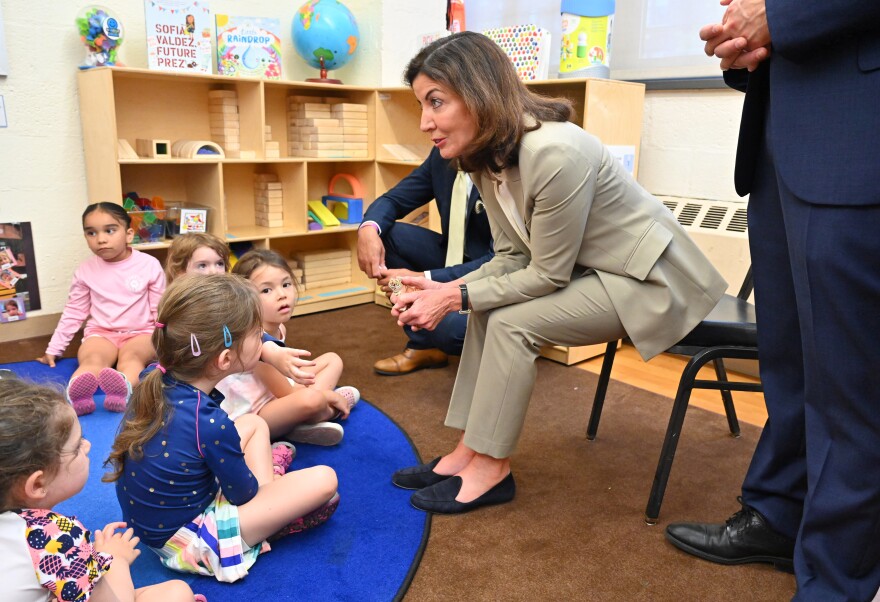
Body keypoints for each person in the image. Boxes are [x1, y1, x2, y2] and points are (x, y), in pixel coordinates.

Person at [387, 32, 727, 514]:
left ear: (479, 92)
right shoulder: (483, 158)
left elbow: (545, 274)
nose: (425, 123)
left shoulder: (555, 152)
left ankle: (492, 468)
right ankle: (469, 451)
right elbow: (508, 258)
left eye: (435, 103)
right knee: (490, 308)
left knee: (511, 320)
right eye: (423, 105)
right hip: (593, 273)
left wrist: (452, 297)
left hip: (650, 281)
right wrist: (450, 285)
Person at [664, 2, 880, 599]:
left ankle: (838, 582)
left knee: (850, 386)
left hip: (859, 133)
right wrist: (745, 47)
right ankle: (780, 516)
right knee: (788, 361)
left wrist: (779, 15)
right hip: (782, 138)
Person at [105, 274, 339, 582]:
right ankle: (275, 517)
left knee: (254, 423)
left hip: (154, 524)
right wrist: (270, 492)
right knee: (325, 481)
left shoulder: (152, 375)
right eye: (259, 335)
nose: (264, 341)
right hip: (190, 541)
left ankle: (275, 495)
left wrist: (269, 349)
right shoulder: (212, 423)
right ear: (225, 359)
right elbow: (244, 493)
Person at [0, 378, 203, 601]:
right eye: (77, 446)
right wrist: (115, 558)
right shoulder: (52, 536)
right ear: (37, 484)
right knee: (177, 593)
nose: (87, 446)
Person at [357, 148, 493, 375]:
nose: (425, 124)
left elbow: (503, 260)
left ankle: (495, 349)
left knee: (450, 331)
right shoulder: (443, 154)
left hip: (496, 275)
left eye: (436, 109)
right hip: (454, 257)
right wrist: (368, 229)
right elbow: (394, 199)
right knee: (386, 234)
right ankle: (425, 345)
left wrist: (423, 279)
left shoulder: (504, 161)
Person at [217, 249, 359, 446]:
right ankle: (319, 415)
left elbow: (284, 382)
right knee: (312, 400)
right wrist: (328, 395)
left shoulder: (278, 326)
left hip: (274, 393)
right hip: (256, 414)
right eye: (266, 290)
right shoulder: (253, 341)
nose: (282, 295)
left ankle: (299, 424)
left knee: (332, 360)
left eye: (286, 284)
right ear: (244, 300)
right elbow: (287, 393)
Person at [37, 202, 166, 416]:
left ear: (128, 234)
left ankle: (122, 389)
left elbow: (160, 309)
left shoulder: (149, 265)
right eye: (91, 233)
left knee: (131, 359)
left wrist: (166, 345)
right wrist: (54, 348)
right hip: (102, 333)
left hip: (141, 333)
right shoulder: (85, 270)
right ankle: (77, 395)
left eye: (110, 230)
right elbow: (74, 311)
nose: (101, 239)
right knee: (92, 359)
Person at [165, 234, 326, 392]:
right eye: (202, 265)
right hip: (218, 392)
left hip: (242, 381)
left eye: (220, 263)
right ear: (180, 272)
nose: (214, 271)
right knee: (311, 399)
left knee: (331, 363)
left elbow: (251, 333)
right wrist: (271, 351)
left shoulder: (227, 302)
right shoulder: (189, 309)